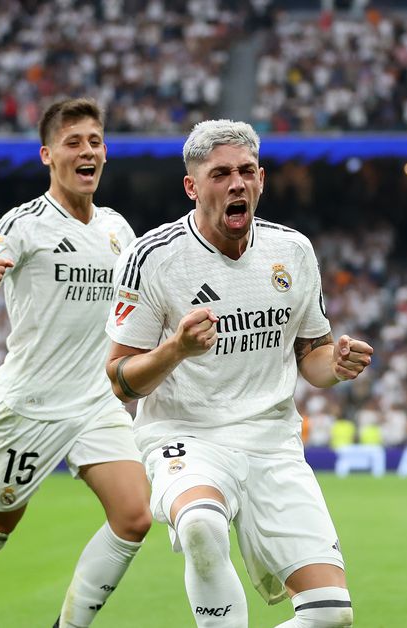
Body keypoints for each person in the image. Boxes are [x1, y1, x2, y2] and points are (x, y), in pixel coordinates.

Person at [104, 119, 373, 627]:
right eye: (221, 173)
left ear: (262, 179)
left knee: (331, 616)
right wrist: (176, 350)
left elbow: (311, 359)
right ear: (192, 186)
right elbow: (118, 378)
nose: (237, 184)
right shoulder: (152, 257)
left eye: (247, 171)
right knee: (202, 523)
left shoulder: (292, 251)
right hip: (187, 435)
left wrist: (335, 365)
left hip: (273, 443)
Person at [0, 97, 152, 628]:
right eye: (74, 142)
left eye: (95, 141)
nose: (87, 151)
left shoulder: (119, 230)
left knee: (135, 517)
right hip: (31, 404)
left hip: (95, 402)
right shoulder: (22, 225)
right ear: (48, 155)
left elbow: (145, 304)